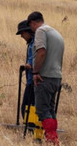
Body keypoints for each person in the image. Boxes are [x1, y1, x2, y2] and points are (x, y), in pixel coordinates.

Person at [27, 11, 64, 145]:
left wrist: (35, 72)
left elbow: (41, 52)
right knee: (50, 109)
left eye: (30, 25)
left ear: (33, 23)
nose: (31, 28)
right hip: (56, 77)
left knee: (42, 110)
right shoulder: (56, 33)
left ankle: (52, 139)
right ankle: (53, 138)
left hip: (45, 77)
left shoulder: (41, 32)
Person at [16, 20, 35, 120]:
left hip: (33, 80)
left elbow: (34, 60)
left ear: (28, 32)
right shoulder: (32, 43)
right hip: (31, 79)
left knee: (27, 107)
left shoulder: (35, 43)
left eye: (22, 33)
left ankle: (31, 127)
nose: (21, 36)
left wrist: (29, 65)